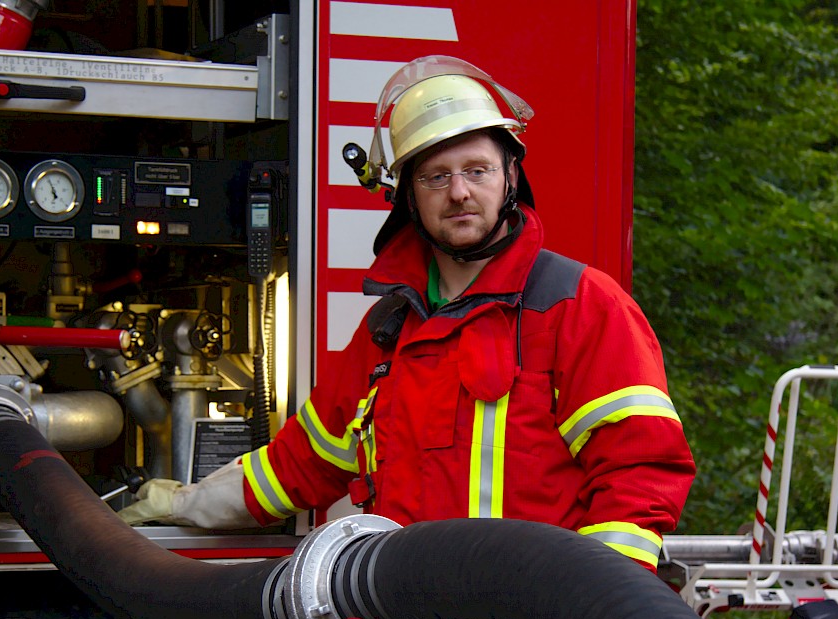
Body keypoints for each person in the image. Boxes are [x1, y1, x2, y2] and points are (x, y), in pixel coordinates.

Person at [120, 55, 695, 573]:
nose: (460, 192)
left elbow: (639, 472)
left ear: (510, 176)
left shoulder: (580, 308)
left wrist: (593, 605)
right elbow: (297, 467)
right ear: (409, 197)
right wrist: (182, 504)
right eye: (435, 176)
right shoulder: (387, 335)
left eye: (477, 170)